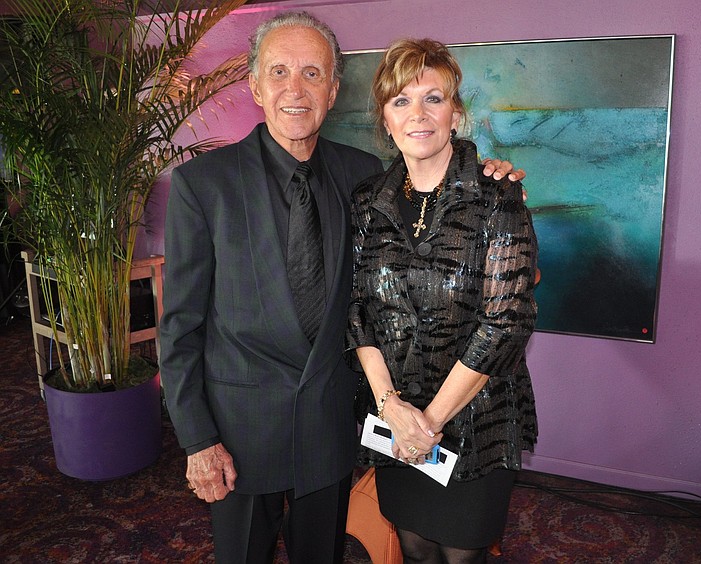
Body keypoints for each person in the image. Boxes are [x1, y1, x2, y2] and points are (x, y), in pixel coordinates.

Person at [159, 12, 523, 564]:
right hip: (239, 432)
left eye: (312, 73)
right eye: (278, 72)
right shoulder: (203, 184)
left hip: (328, 428)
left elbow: (420, 241)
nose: (295, 89)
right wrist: (197, 439)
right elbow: (180, 326)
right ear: (255, 86)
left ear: (332, 91)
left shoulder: (364, 176)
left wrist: (491, 174)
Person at [347, 38, 539, 563]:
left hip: (476, 422)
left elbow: (506, 322)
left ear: (455, 113)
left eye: (433, 98)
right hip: (396, 417)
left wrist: (427, 424)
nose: (418, 114)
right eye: (401, 100)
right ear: (385, 120)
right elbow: (357, 311)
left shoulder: (497, 196)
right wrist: (392, 409)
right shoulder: (366, 202)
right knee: (414, 549)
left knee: (462, 555)